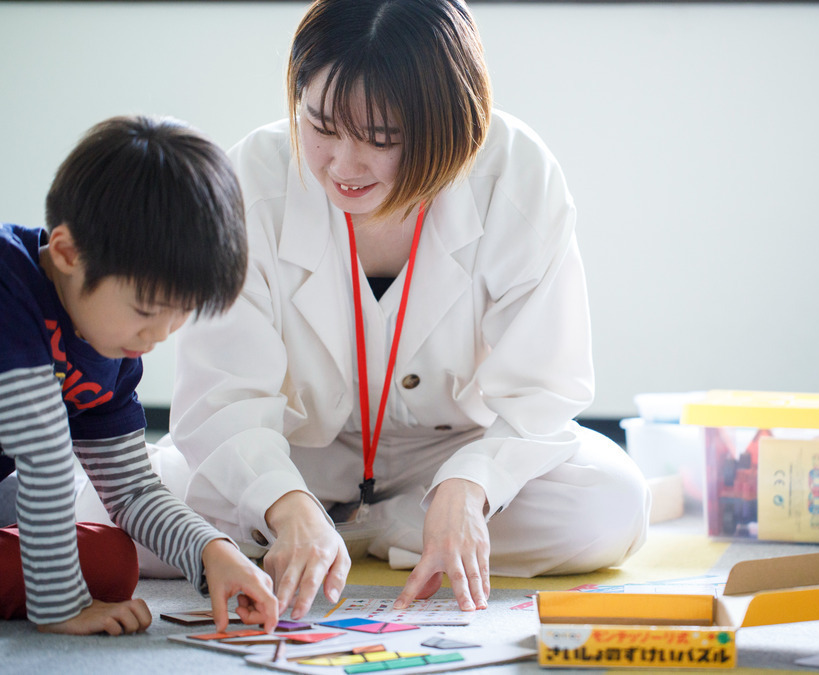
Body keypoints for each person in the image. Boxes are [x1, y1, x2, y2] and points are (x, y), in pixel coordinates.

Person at [169, 0, 650, 619]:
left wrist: (470, 485)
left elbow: (543, 390)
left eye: (381, 139)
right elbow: (222, 396)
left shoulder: (515, 173)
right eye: (320, 126)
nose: (343, 166)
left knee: (612, 504)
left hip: (450, 454)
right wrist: (283, 500)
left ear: (448, 126)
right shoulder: (252, 177)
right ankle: (329, 530)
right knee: (120, 508)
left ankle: (409, 526)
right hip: (298, 456)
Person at [0, 115, 278, 635]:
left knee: (112, 562)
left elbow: (130, 490)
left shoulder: (113, 347)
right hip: (31, 471)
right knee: (54, 529)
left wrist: (211, 551)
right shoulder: (7, 285)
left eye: (181, 313)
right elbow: (42, 455)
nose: (161, 336)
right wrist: (61, 607)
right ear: (66, 254)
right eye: (148, 309)